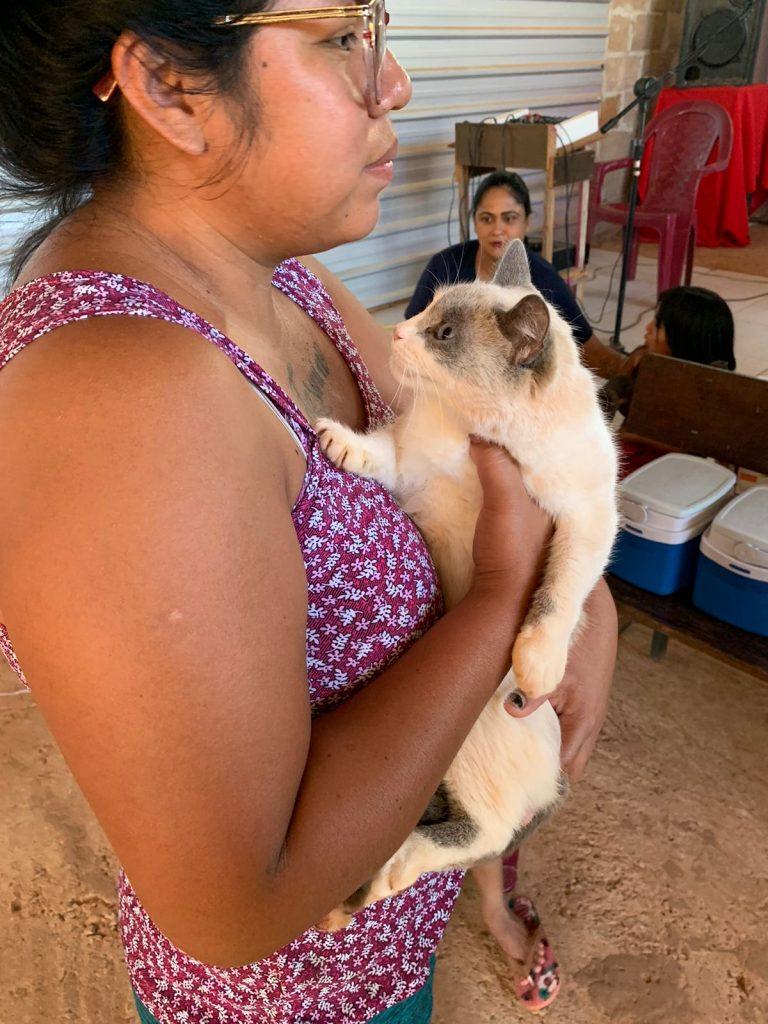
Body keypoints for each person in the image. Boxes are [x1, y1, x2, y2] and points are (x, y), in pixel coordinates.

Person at [0, 4, 618, 1023]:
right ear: (168, 86)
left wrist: (576, 600)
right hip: (297, 997)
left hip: (388, 945)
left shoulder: (283, 277)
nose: (396, 84)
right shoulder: (122, 399)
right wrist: (507, 597)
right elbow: (237, 901)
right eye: (343, 36)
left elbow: (483, 441)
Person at [405, 170, 631, 379]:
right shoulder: (444, 266)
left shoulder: (544, 280)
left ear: (527, 222)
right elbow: (413, 331)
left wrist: (628, 369)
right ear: (475, 222)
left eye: (510, 218)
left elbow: (587, 348)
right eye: (486, 218)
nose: (497, 229)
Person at [601, 285, 736, 431]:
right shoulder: (644, 362)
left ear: (684, 340)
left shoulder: (702, 394)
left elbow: (679, 441)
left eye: (658, 324)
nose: (648, 327)